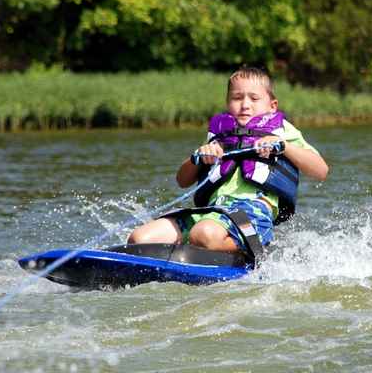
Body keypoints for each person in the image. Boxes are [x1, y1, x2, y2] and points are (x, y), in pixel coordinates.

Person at [128, 66, 329, 255]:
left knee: (203, 234)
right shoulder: (219, 136)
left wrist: (283, 145)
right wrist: (199, 157)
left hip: (252, 212)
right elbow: (182, 181)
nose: (245, 105)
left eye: (254, 98)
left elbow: (321, 170)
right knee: (139, 238)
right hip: (211, 212)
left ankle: (251, 249)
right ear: (227, 102)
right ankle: (196, 249)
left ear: (272, 105)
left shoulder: (282, 131)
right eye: (237, 97)